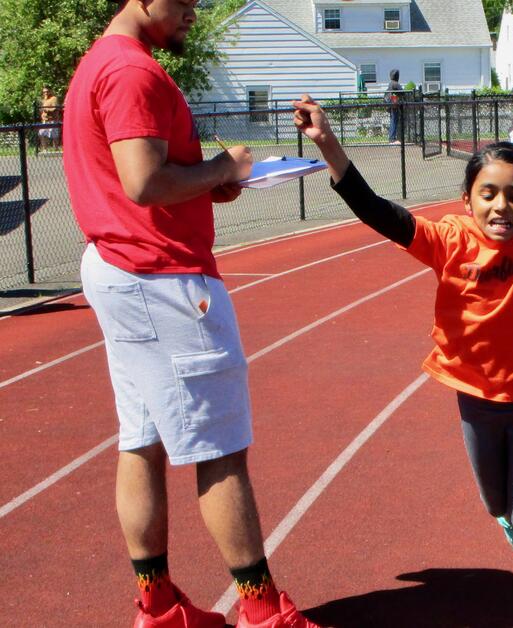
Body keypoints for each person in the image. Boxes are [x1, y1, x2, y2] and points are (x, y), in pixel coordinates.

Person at [294, 53, 513, 558]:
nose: (500, 206)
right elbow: (378, 212)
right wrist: (328, 144)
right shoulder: (450, 241)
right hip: (476, 394)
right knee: (494, 504)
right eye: (488, 194)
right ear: (467, 199)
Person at [61, 1, 320, 626]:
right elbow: (144, 182)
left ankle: (158, 604)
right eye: (185, 3)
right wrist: (226, 167)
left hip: (121, 267)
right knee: (221, 447)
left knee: (143, 440)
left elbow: (149, 175)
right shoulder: (132, 72)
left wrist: (209, 181)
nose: (193, 16)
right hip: (163, 277)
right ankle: (263, 612)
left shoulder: (100, 61)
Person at [386, 69, 402, 144]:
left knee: (393, 120)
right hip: (394, 104)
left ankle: (392, 138)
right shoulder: (395, 84)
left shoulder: (391, 83)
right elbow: (402, 92)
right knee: (394, 121)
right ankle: (392, 139)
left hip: (390, 104)